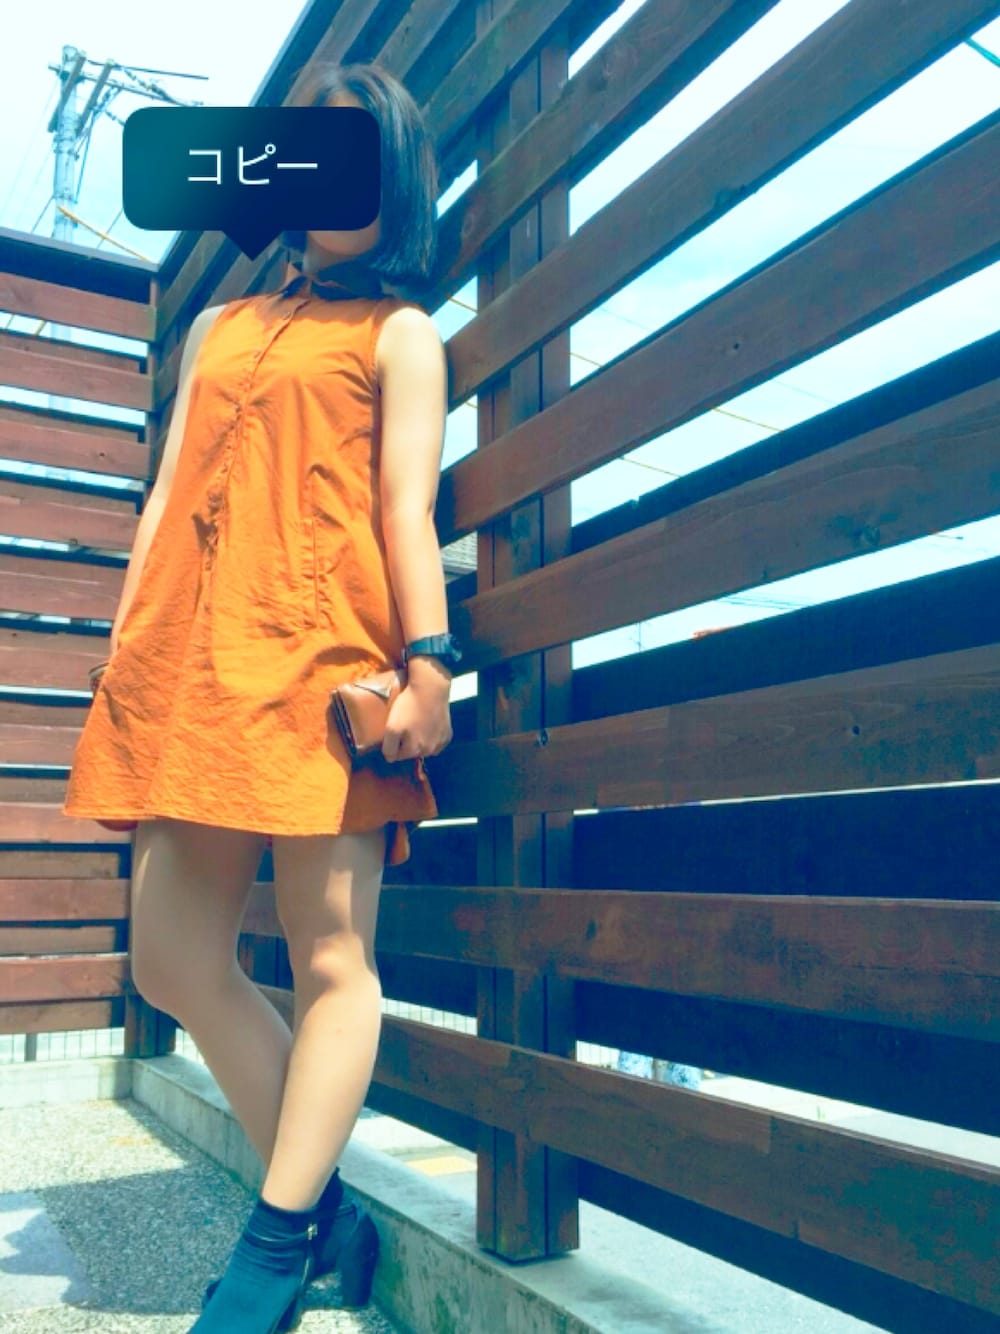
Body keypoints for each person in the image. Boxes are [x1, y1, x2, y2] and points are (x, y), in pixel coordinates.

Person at [61, 61, 456, 1331]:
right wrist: (128, 653)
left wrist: (433, 662)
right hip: (195, 666)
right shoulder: (216, 327)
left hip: (328, 665)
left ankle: (276, 1248)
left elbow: (406, 506)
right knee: (172, 954)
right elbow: (165, 497)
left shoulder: (401, 334)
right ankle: (328, 1211)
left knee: (335, 954)